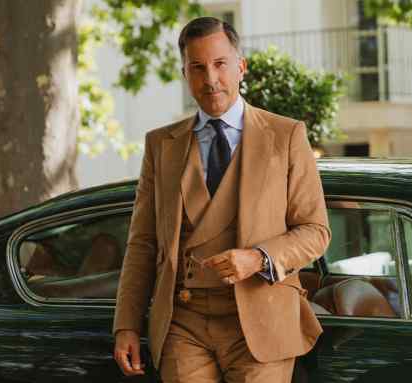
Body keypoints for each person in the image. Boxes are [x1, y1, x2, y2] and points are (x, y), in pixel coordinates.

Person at [112, 16, 330, 383]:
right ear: (185, 73)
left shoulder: (287, 135)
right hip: (184, 321)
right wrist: (127, 325)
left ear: (240, 67)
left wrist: (258, 258)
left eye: (220, 64)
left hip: (263, 317)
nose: (210, 79)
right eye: (197, 67)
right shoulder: (160, 145)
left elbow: (315, 231)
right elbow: (143, 244)